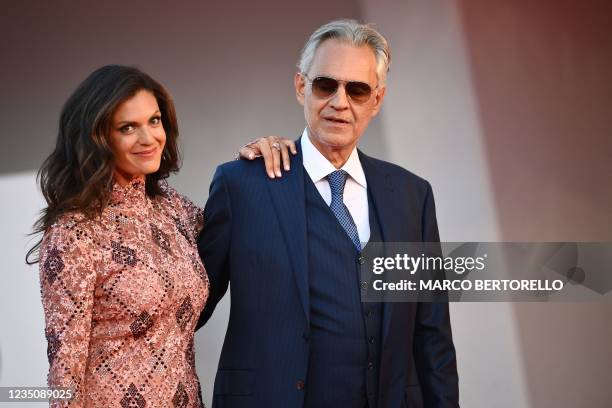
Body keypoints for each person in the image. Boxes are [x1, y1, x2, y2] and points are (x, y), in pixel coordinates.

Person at [197, 19, 459, 408]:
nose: (340, 102)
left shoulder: (411, 195)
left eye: (357, 89)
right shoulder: (243, 185)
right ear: (301, 86)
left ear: (377, 100)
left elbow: (432, 336)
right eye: (325, 85)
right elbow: (184, 306)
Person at [29, 64, 295, 407]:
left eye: (154, 121)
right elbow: (65, 370)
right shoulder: (74, 232)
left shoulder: (172, 208)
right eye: (128, 127)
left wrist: (255, 159)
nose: (149, 138)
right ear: (97, 137)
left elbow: (235, 226)